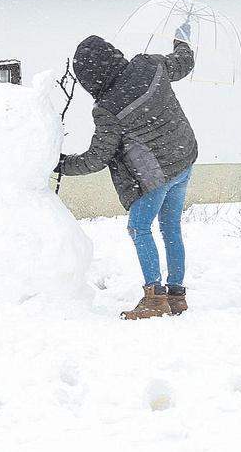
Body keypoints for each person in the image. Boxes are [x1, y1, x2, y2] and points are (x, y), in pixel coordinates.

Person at [57, 23, 198, 319]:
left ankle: (154, 297)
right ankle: (177, 295)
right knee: (170, 227)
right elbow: (184, 63)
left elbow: (97, 157)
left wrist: (58, 164)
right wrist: (182, 41)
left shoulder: (108, 108)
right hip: (184, 159)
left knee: (138, 226)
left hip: (156, 176)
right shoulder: (150, 64)